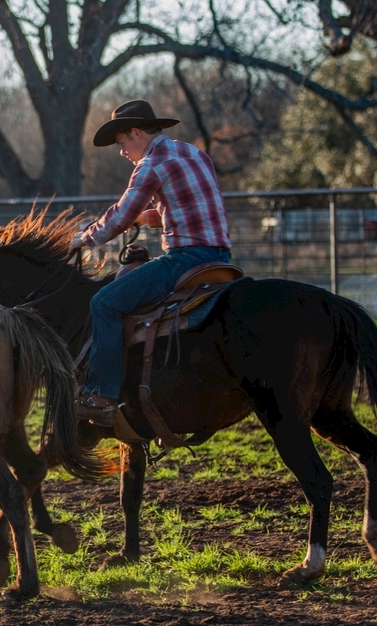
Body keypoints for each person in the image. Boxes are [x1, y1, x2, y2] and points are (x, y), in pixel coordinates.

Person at [69, 100, 232, 427]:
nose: (122, 152)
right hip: (220, 257)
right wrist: (148, 218)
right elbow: (190, 206)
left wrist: (84, 238)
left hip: (185, 258)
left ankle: (100, 395)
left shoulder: (150, 165)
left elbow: (120, 215)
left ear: (136, 132)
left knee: (105, 303)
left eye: (122, 143)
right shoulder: (193, 153)